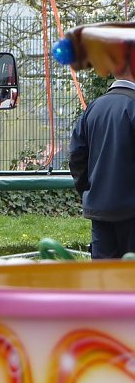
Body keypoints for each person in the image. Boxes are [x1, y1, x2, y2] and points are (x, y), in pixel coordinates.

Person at [70, 71, 135, 259]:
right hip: (131, 211)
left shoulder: (94, 108)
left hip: (100, 208)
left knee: (104, 278)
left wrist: (89, 191)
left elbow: (77, 156)